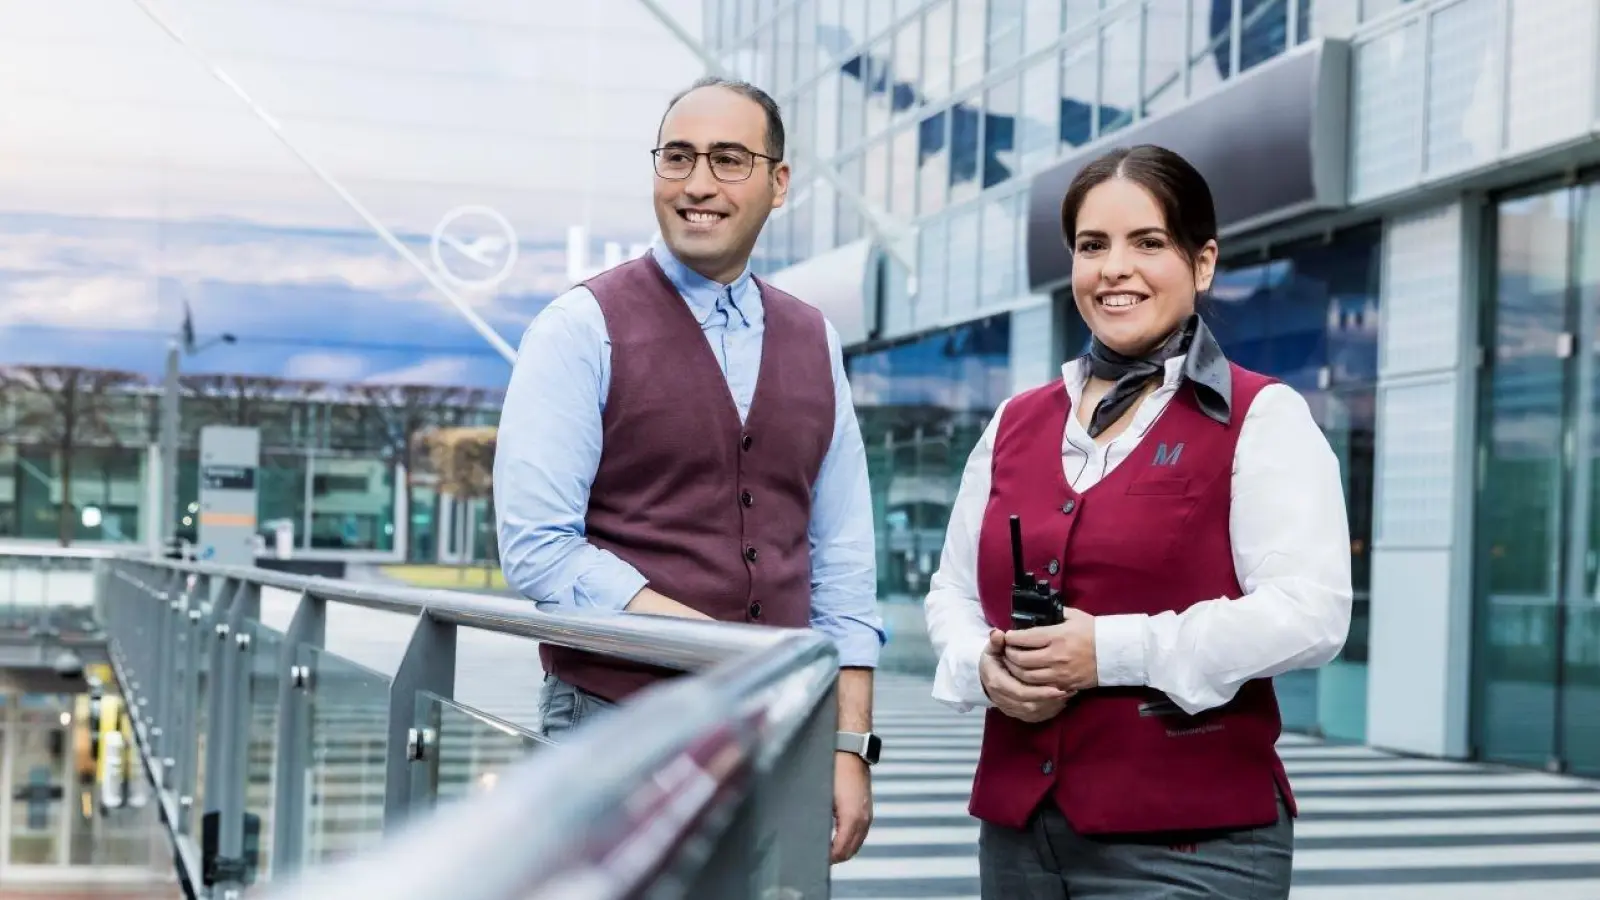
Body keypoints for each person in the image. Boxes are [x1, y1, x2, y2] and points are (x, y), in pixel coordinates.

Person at [923, 143, 1352, 898]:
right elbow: (952, 591)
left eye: (1147, 243)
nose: (1114, 268)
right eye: (1093, 246)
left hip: (1192, 849)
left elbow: (1310, 614)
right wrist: (982, 670)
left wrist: (1109, 651)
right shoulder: (1014, 421)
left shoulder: (1262, 416)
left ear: (1203, 262)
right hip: (1020, 839)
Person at [493, 76, 884, 865]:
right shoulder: (580, 328)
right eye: (678, 157)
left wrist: (850, 743)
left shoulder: (816, 339)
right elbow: (538, 548)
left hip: (781, 732)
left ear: (778, 184)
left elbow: (842, 556)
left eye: (728, 160)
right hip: (616, 723)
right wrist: (713, 646)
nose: (697, 184)